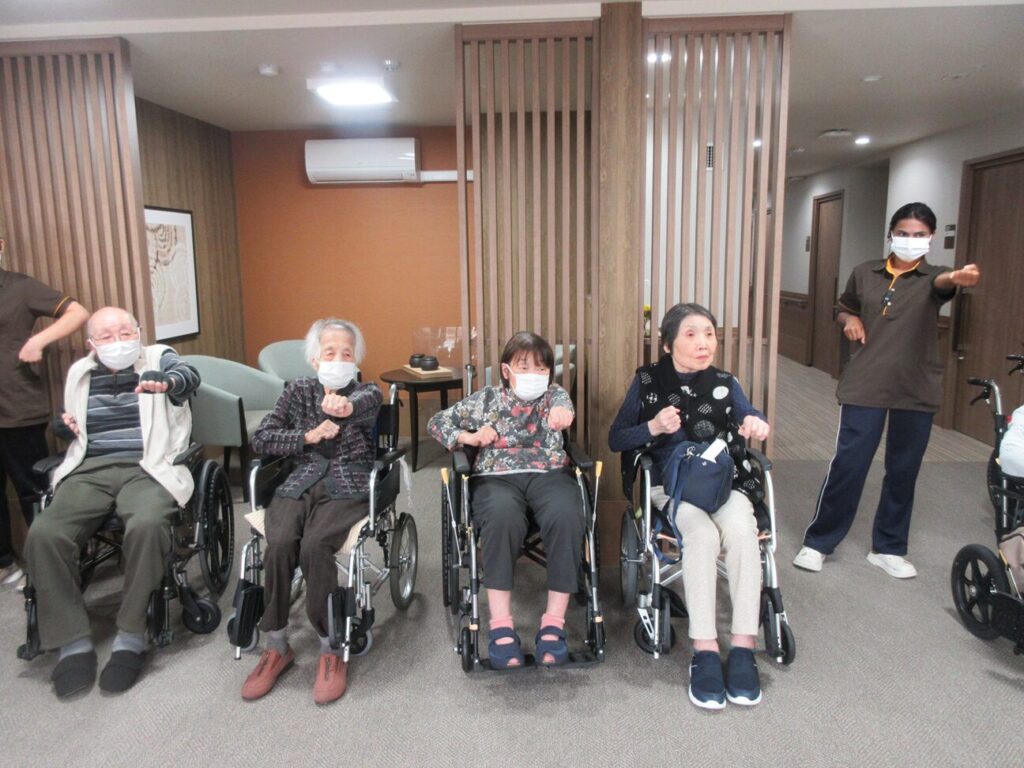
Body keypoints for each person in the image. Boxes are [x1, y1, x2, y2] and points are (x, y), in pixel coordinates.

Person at [794, 202, 981, 579]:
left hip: (915, 387)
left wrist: (957, 277)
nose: (911, 240)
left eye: (919, 235)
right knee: (849, 464)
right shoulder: (865, 272)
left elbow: (944, 285)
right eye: (904, 233)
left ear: (930, 238)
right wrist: (849, 319)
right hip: (866, 383)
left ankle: (888, 547)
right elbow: (842, 307)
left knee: (903, 470)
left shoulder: (935, 277)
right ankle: (819, 542)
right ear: (891, 234)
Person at [23, 306, 200, 698]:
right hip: (90, 468)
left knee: (148, 525)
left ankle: (131, 635)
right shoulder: (80, 373)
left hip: (148, 466)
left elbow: (188, 377)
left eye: (125, 332)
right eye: (106, 336)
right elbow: (72, 424)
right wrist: (61, 426)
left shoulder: (158, 358)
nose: (118, 341)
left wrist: (167, 382)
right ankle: (72, 642)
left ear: (139, 331)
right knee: (44, 533)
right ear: (92, 343)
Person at [609, 303, 770, 710]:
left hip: (724, 481)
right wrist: (653, 427)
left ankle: (744, 648)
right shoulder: (648, 381)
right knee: (700, 536)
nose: (703, 343)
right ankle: (705, 650)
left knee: (742, 532)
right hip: (673, 486)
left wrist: (755, 422)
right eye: (691, 334)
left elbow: (749, 414)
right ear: (668, 344)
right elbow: (617, 438)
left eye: (709, 334)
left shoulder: (725, 382)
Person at [241, 318, 381, 705]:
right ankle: (276, 644)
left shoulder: (367, 391)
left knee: (315, 545)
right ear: (315, 360)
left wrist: (344, 406)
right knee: (280, 542)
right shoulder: (297, 391)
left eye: (346, 354)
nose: (338, 360)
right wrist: (307, 436)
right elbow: (261, 438)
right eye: (329, 353)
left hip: (348, 484)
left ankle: (330, 645)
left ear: (355, 361)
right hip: (299, 479)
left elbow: (362, 406)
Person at [427, 332, 583, 669]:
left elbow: (564, 409)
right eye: (524, 367)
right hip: (496, 477)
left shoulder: (554, 395)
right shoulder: (486, 399)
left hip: (548, 473)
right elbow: (437, 422)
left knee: (567, 513)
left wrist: (561, 415)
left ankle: (553, 626)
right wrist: (470, 436)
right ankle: (501, 628)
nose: (534, 375)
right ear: (506, 370)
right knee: (501, 517)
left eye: (542, 368)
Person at [0, 235, 89, 590]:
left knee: (32, 488)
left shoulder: (20, 287)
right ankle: (4, 563)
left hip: (16, 406)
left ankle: (49, 566)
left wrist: (38, 341)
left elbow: (78, 312)